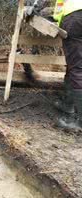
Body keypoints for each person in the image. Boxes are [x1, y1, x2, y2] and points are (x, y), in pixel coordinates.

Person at [52, 0, 82, 129]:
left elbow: (60, 5)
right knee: (75, 64)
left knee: (76, 67)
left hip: (75, 16)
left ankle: (80, 122)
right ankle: (68, 104)